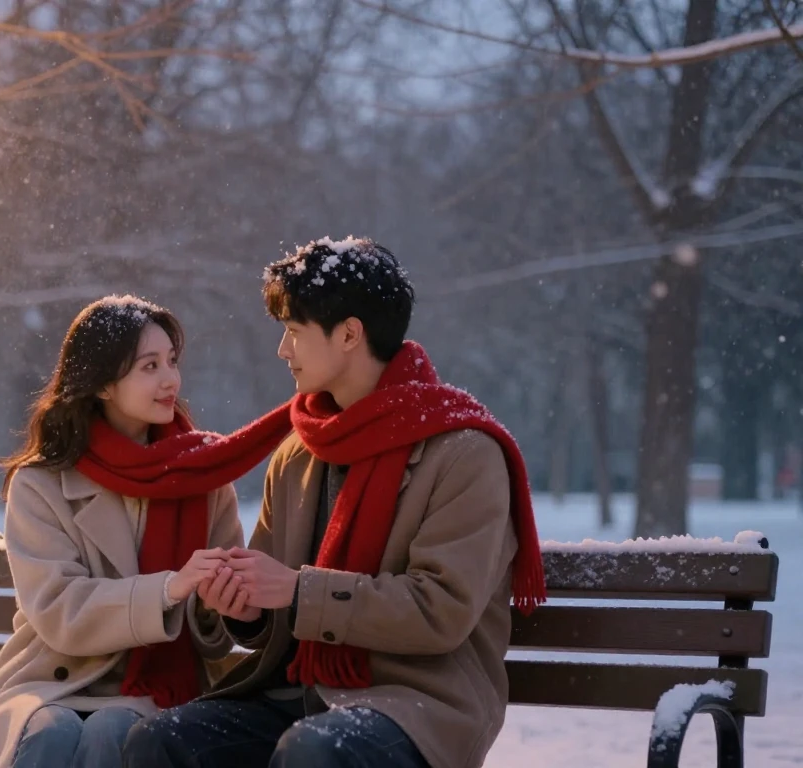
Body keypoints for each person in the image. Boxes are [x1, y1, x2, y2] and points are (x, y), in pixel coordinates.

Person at [122, 237, 546, 768]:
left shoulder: (463, 453)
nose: (283, 350)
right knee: (160, 741)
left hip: (414, 703)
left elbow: (440, 611)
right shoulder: (300, 451)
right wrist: (247, 609)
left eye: (294, 332)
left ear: (349, 334)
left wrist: (299, 591)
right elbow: (276, 601)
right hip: (296, 690)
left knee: (314, 751)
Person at [0, 295, 294, 768]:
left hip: (159, 685)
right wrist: (167, 589)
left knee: (115, 729)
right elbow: (61, 611)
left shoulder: (203, 476)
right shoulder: (42, 482)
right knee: (50, 732)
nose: (170, 380)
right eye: (149, 366)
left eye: (171, 361)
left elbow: (218, 632)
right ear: (102, 384)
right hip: (53, 680)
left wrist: (218, 605)